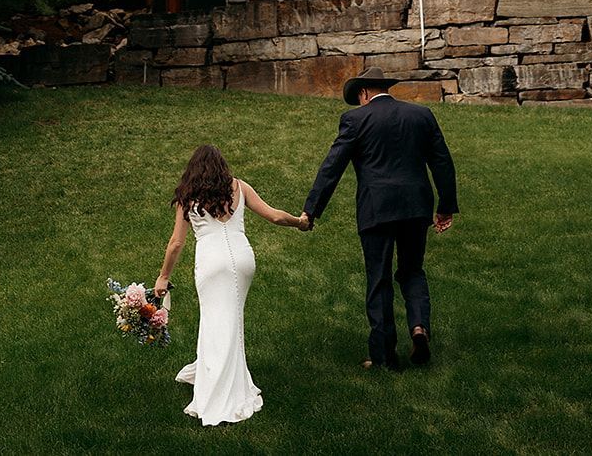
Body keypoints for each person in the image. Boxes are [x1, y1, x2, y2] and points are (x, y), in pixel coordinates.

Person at [300, 67, 458, 370]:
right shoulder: (421, 115)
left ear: (363, 93)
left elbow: (332, 166)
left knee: (379, 278)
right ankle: (419, 327)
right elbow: (441, 161)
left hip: (377, 209)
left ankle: (384, 356)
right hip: (415, 207)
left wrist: (312, 209)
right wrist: (445, 206)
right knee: (412, 270)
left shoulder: (355, 119)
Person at [155, 144, 307, 426]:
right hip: (243, 258)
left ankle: (219, 390)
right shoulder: (239, 187)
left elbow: (176, 243)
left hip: (212, 263)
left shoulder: (187, 197)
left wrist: (163, 276)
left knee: (216, 321)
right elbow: (274, 215)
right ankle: (211, 369)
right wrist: (299, 222)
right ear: (222, 167)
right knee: (229, 320)